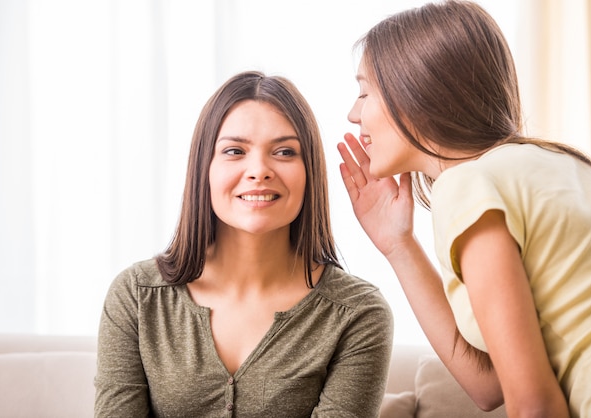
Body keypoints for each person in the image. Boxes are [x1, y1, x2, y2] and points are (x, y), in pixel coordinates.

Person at [337, 1, 591, 417]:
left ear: (416, 90)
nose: (353, 114)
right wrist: (398, 244)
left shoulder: (466, 184)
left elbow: (535, 406)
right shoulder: (562, 163)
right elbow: (490, 386)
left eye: (365, 92)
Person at [95, 70, 393, 417]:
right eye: (235, 150)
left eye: (284, 152)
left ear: (309, 170)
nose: (259, 170)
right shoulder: (136, 295)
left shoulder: (358, 314)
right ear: (203, 168)